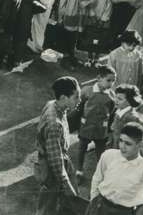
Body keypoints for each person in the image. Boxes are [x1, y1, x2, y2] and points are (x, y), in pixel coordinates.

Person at [88, 123, 143, 215]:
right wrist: (94, 198)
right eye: (121, 140)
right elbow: (97, 177)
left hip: (125, 211)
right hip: (101, 205)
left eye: (128, 143)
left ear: (140, 144)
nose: (122, 146)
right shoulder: (108, 155)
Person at [34, 76, 80, 215]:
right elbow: (55, 158)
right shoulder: (54, 123)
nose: (79, 100)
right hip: (52, 167)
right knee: (48, 206)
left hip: (59, 159)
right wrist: (65, 183)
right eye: (76, 97)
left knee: (70, 201)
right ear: (64, 98)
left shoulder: (53, 104)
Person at [76, 66, 116, 179]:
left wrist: (108, 126)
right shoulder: (87, 91)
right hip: (86, 127)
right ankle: (79, 170)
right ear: (99, 78)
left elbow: (112, 111)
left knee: (101, 152)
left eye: (113, 81)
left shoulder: (112, 96)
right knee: (82, 148)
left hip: (101, 130)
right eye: (109, 80)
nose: (111, 83)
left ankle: (100, 172)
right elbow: (79, 106)